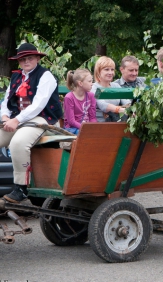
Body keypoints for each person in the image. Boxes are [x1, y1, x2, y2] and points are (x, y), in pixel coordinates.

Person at [0, 43, 63, 203]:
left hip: (44, 119)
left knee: (18, 142)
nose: (26, 62)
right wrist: (5, 118)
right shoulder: (16, 76)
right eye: (22, 59)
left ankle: (21, 188)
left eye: (29, 58)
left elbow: (38, 105)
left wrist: (16, 120)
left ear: (37, 58)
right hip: (18, 119)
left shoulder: (46, 76)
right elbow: (6, 101)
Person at [91, 56, 131, 122]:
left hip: (116, 121)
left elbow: (127, 102)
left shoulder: (116, 86)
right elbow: (102, 105)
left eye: (112, 69)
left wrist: (131, 110)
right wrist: (120, 109)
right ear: (98, 71)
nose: (110, 73)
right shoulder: (94, 88)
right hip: (100, 124)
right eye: (106, 69)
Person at [63, 69, 97, 134]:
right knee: (83, 134)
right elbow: (71, 121)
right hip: (73, 129)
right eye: (89, 81)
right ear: (80, 83)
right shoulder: (69, 97)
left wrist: (93, 127)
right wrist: (86, 128)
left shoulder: (91, 96)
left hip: (87, 127)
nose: (92, 84)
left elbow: (92, 117)